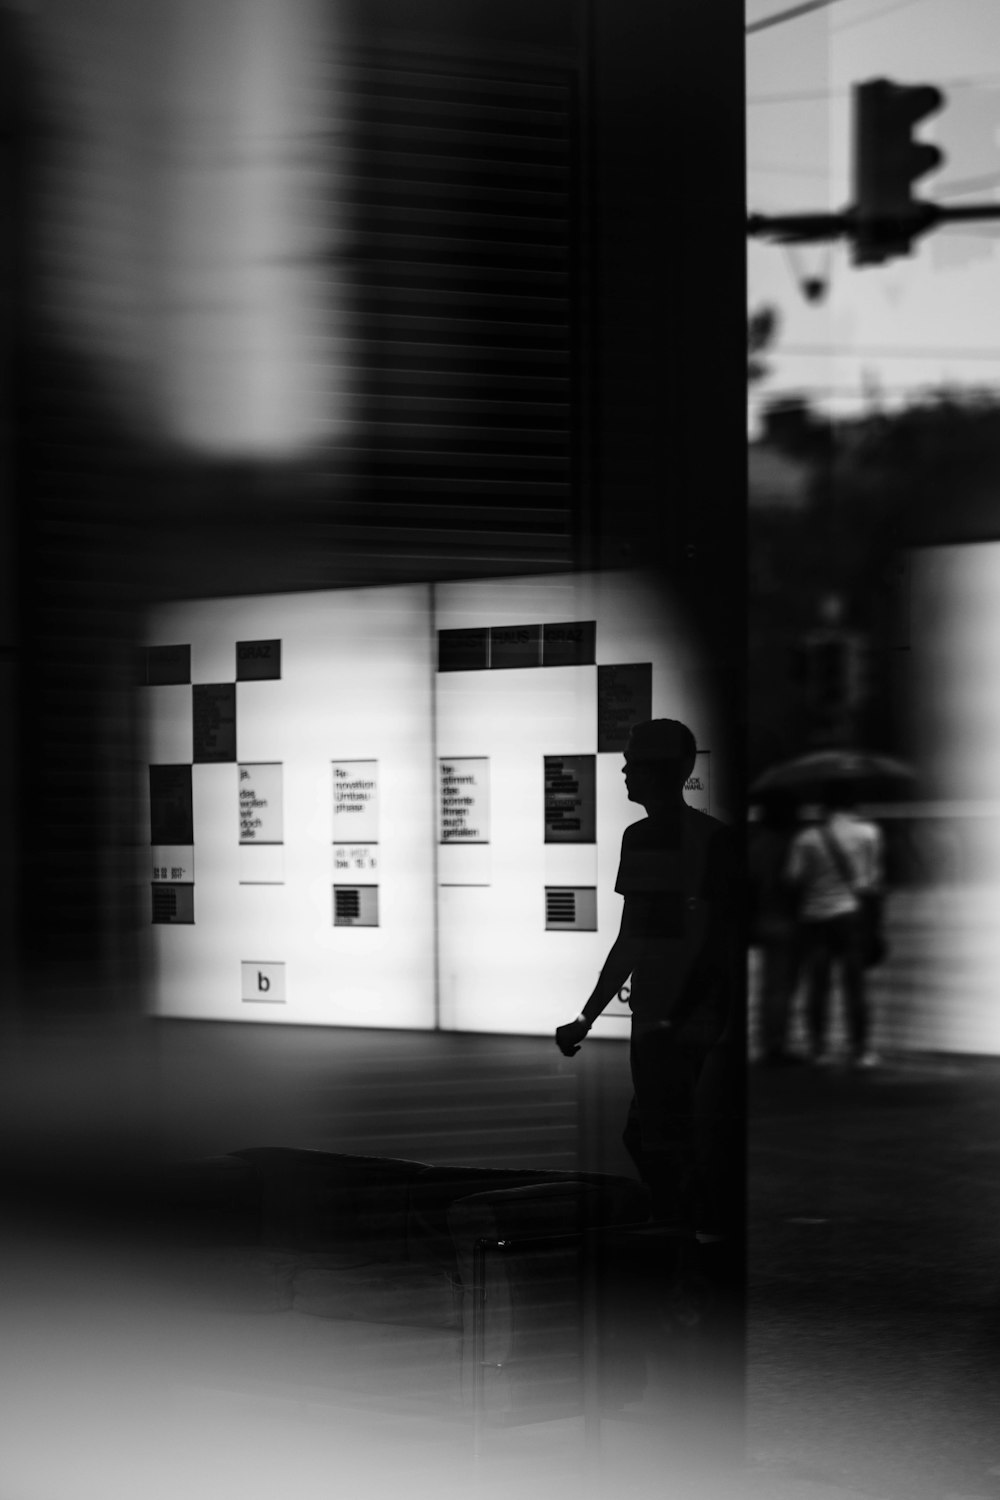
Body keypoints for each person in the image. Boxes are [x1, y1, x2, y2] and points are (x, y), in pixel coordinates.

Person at [554, 719, 739, 1240]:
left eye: (635, 763)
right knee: (660, 1131)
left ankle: (680, 1238)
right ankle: (693, 1229)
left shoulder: (647, 838)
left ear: (661, 771)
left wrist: (586, 1017)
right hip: (694, 1011)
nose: (625, 769)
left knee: (656, 1136)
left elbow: (633, 939)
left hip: (665, 1014)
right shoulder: (713, 837)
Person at [784, 782, 885, 1068]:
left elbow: (793, 879)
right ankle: (861, 1049)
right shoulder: (869, 833)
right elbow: (873, 882)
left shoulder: (807, 838)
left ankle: (818, 1047)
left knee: (818, 984)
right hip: (852, 915)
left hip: (815, 917)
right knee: (856, 985)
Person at [748, 797, 803, 1065]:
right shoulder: (789, 845)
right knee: (781, 987)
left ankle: (768, 1041)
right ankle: (775, 1045)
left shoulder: (755, 845)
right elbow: (792, 883)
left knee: (769, 987)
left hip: (762, 919)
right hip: (783, 919)